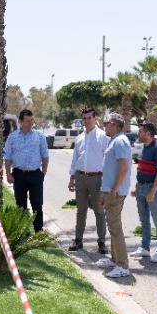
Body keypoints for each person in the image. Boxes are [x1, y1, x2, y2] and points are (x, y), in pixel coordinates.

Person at [68, 108, 110, 254]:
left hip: (97, 178)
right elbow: (75, 159)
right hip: (80, 177)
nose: (86, 121)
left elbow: (107, 161)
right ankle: (78, 240)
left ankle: (102, 243)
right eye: (84, 118)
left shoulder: (103, 137)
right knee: (81, 210)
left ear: (95, 118)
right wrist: (72, 178)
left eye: (89, 118)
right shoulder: (79, 138)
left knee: (99, 211)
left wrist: (105, 183)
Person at [96, 113, 132, 278]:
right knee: (112, 226)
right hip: (110, 191)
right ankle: (114, 259)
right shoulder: (114, 140)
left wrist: (113, 190)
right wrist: (106, 191)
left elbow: (124, 168)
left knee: (115, 228)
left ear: (114, 125)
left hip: (115, 193)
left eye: (106, 123)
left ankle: (123, 266)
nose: (104, 126)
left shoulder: (120, 141)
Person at [4, 109, 49, 232]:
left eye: (31, 121)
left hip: (35, 175)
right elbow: (7, 157)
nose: (30, 123)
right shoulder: (12, 138)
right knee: (20, 205)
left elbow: (45, 156)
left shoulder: (39, 136)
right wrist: (8, 174)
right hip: (18, 175)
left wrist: (43, 173)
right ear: (20, 122)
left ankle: (38, 232)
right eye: (27, 121)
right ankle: (23, 232)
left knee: (37, 205)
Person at [130, 123, 157, 263]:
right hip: (141, 187)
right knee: (144, 219)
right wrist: (137, 188)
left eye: (140, 131)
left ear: (147, 133)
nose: (138, 134)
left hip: (152, 188)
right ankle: (145, 248)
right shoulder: (145, 147)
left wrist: (153, 191)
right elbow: (142, 168)